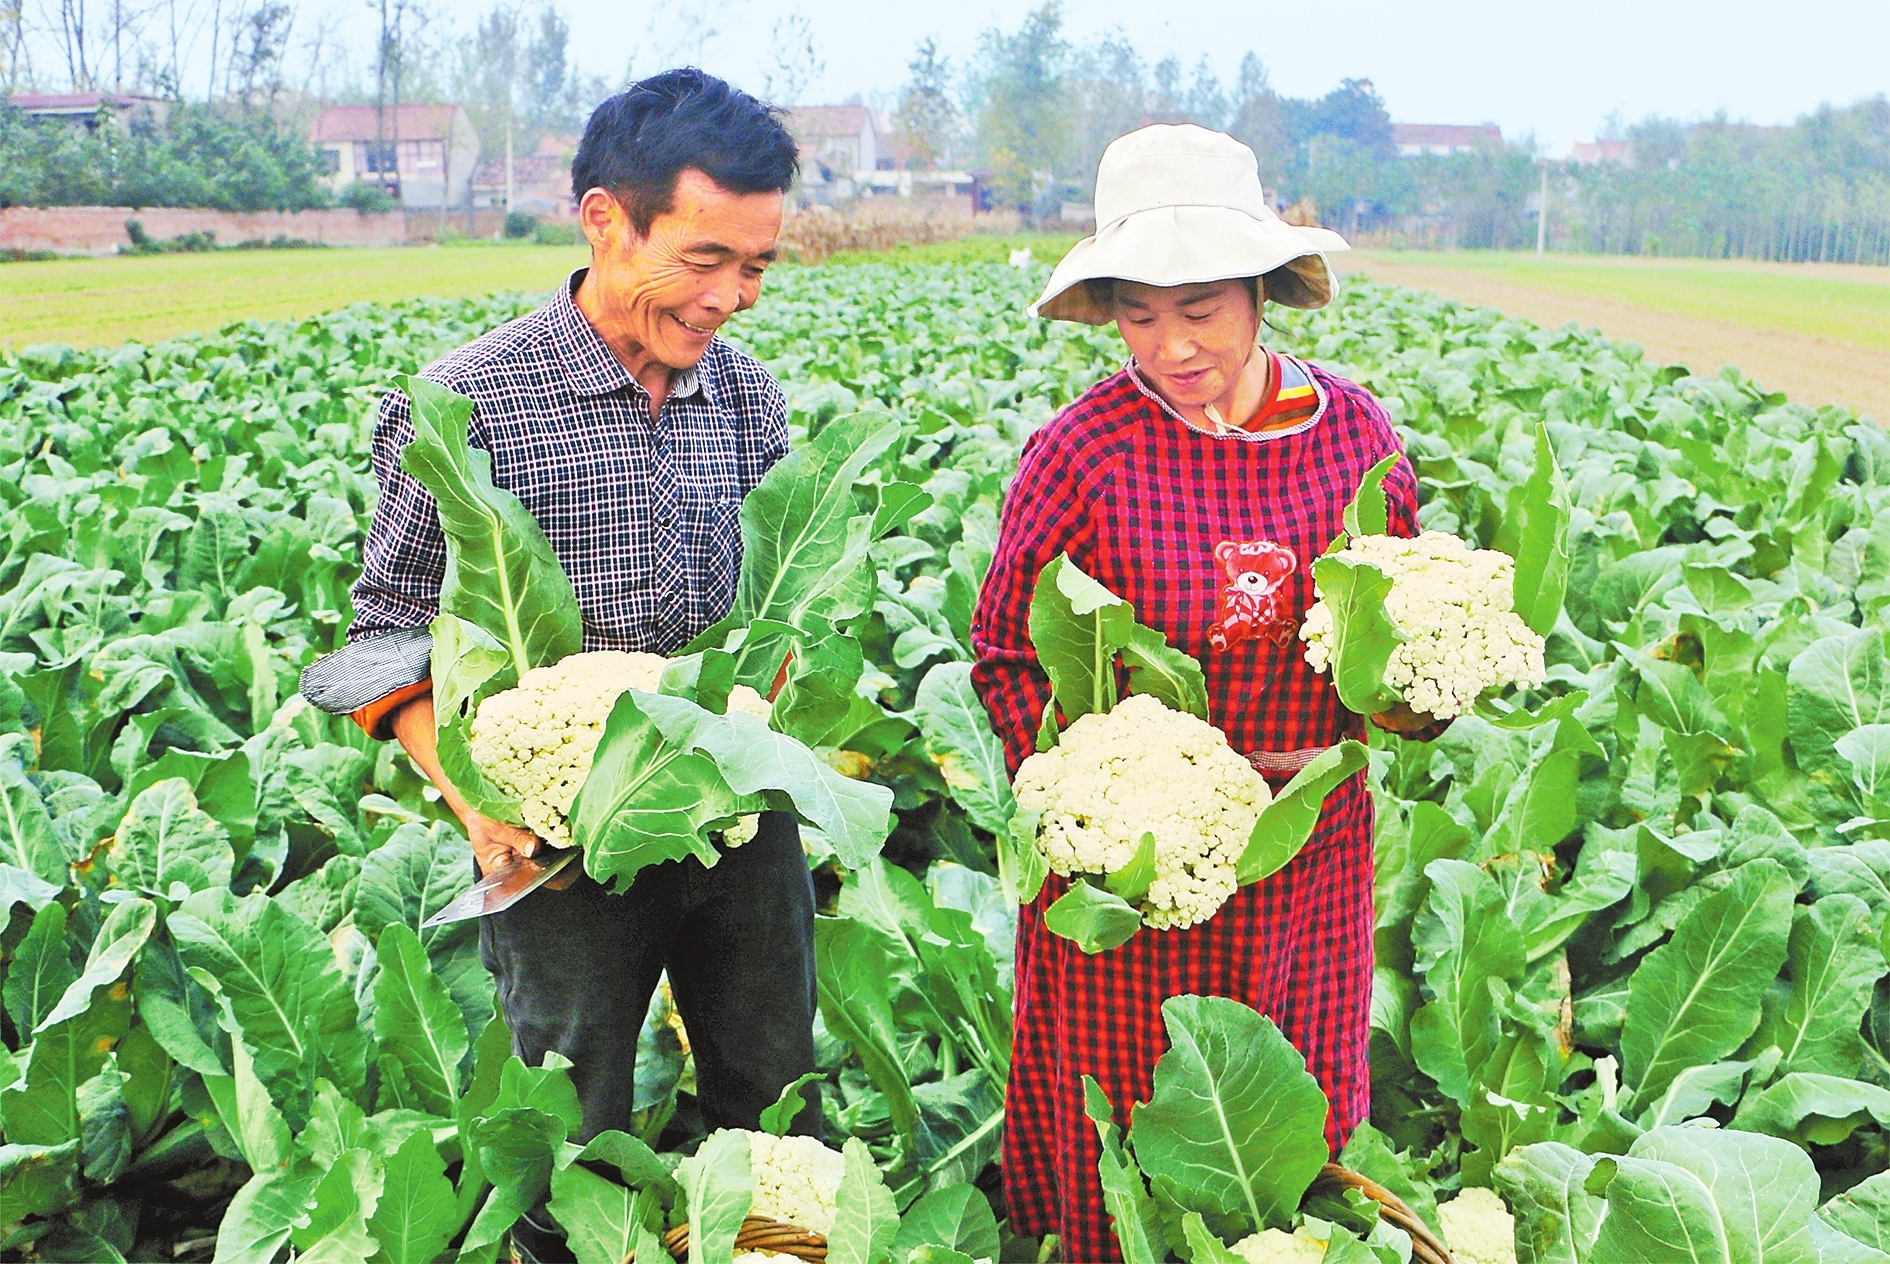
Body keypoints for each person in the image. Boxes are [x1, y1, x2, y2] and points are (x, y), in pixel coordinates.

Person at [301, 69, 813, 1261]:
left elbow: (782, 614)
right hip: (557, 847)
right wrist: (478, 798)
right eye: (701, 259)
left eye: (756, 267)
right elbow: (379, 632)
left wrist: (769, 699)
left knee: (776, 1097)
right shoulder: (468, 401)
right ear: (603, 220)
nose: (730, 297)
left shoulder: (747, 397)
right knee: (563, 1128)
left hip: (736, 820)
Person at [969, 124, 1443, 1262]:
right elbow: (1004, 656)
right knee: (1115, 1133)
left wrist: (1409, 701)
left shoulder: (1354, 436)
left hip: (1307, 862)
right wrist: (1095, 788)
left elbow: (1402, 632)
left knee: (1284, 1129)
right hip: (1133, 884)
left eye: (1201, 310)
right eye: (1140, 313)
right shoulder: (1080, 454)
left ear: (1260, 292)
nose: (1171, 345)